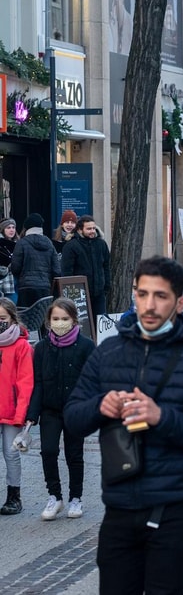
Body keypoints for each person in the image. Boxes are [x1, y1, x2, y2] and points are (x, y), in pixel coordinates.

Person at [63, 257, 183, 593]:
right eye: (142, 294)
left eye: (161, 296)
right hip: (121, 504)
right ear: (133, 295)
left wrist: (160, 417)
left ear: (180, 302)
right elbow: (73, 418)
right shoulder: (107, 352)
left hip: (176, 506)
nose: (149, 305)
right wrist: (100, 406)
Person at [26, 297, 95, 520]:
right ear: (48, 321)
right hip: (50, 410)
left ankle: (76, 498)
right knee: (48, 451)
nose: (60, 322)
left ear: (74, 320)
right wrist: (31, 415)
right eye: (55, 318)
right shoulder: (42, 348)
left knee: (74, 455)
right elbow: (37, 383)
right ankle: (54, 496)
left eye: (65, 318)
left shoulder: (86, 346)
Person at [0, 298, 33, 515]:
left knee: (11, 454)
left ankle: (14, 496)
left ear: (12, 318)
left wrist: (21, 415)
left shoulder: (22, 346)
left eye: (2, 318)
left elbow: (25, 383)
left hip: (11, 410)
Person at [61, 215, 111, 320]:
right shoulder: (71, 246)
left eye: (93, 228)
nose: (92, 231)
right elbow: (67, 271)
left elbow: (106, 266)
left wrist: (106, 286)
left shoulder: (101, 244)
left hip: (99, 292)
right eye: (89, 229)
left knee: (99, 322)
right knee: (83, 323)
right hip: (79, 293)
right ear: (80, 230)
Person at [11, 213, 61, 308]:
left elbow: (15, 268)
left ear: (27, 228)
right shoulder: (49, 243)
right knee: (42, 318)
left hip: (26, 287)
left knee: (26, 318)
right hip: (45, 288)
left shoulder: (22, 243)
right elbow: (57, 270)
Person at [0, 218, 18, 303]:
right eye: (8, 228)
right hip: (4, 283)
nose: (11, 230)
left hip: (15, 283)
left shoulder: (18, 243)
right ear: (3, 229)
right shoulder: (1, 245)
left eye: (13, 227)